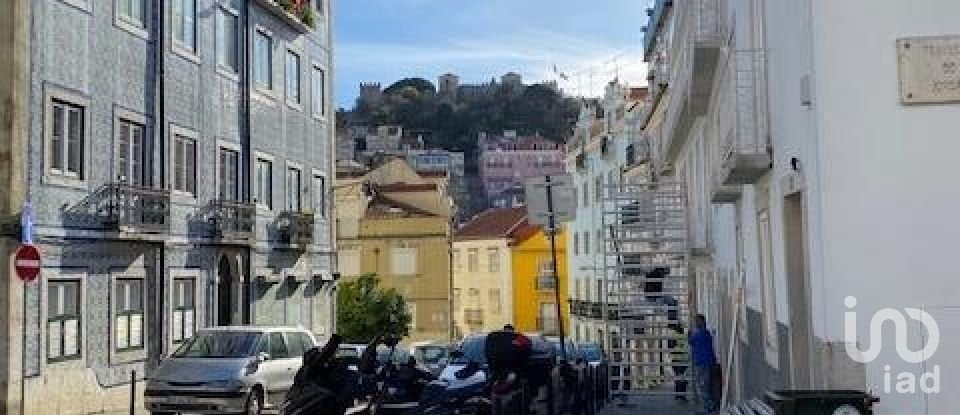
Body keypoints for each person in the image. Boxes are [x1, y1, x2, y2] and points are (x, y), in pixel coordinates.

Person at [690, 314, 719, 413]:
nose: (696, 323)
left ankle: (710, 407)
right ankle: (711, 406)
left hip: (703, 364)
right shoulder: (706, 333)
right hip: (708, 363)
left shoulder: (701, 334)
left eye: (697, 321)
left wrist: (690, 335)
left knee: (703, 386)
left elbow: (691, 341)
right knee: (707, 386)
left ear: (702, 322)